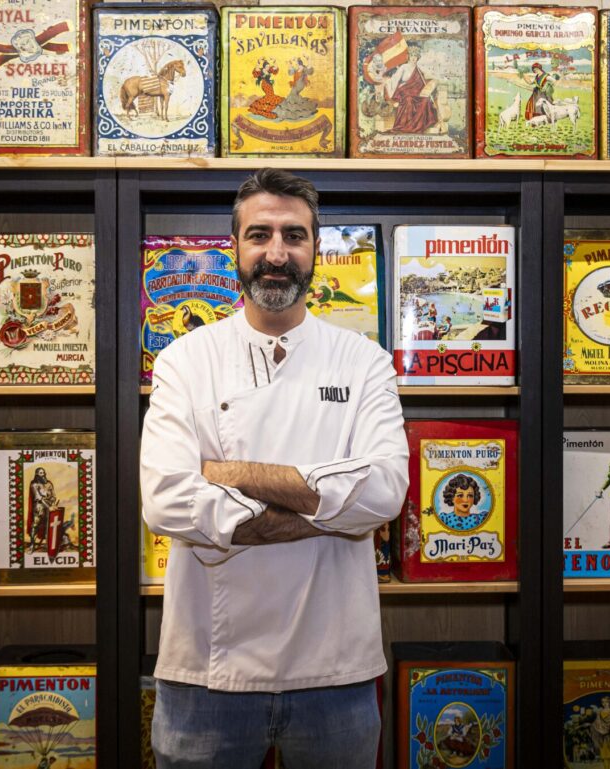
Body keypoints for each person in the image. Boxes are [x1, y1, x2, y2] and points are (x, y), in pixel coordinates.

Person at [140, 168, 408, 768]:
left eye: (294, 235)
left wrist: (226, 473)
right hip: (206, 674)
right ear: (235, 248)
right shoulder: (185, 360)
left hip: (336, 668)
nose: (277, 253)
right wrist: (330, 509)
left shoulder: (364, 362)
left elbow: (384, 493)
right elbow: (166, 501)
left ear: (317, 249)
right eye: (259, 235)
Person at [382, 47, 439, 134]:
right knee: (409, 99)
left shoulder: (418, 69)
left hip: (416, 93)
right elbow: (395, 79)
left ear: (418, 58)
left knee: (425, 100)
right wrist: (387, 85)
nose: (413, 58)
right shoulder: (404, 67)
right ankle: (405, 126)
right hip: (404, 91)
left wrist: (434, 80)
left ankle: (417, 126)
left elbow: (425, 79)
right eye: (412, 55)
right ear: (408, 56)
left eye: (415, 56)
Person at [589, 696, 610, 769]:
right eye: (603, 702)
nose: (604, 703)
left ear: (609, 703)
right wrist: (592, 726)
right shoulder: (599, 713)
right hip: (602, 738)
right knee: (605, 758)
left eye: (606, 702)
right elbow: (596, 724)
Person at [27, 467, 56, 552]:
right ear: (37, 474)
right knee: (35, 525)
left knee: (48, 525)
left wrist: (53, 503)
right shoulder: (34, 484)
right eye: (40, 473)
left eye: (43, 472)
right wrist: (49, 507)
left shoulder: (49, 483)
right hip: (39, 506)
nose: (43, 474)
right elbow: (39, 498)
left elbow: (53, 495)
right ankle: (32, 545)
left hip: (49, 505)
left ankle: (48, 544)